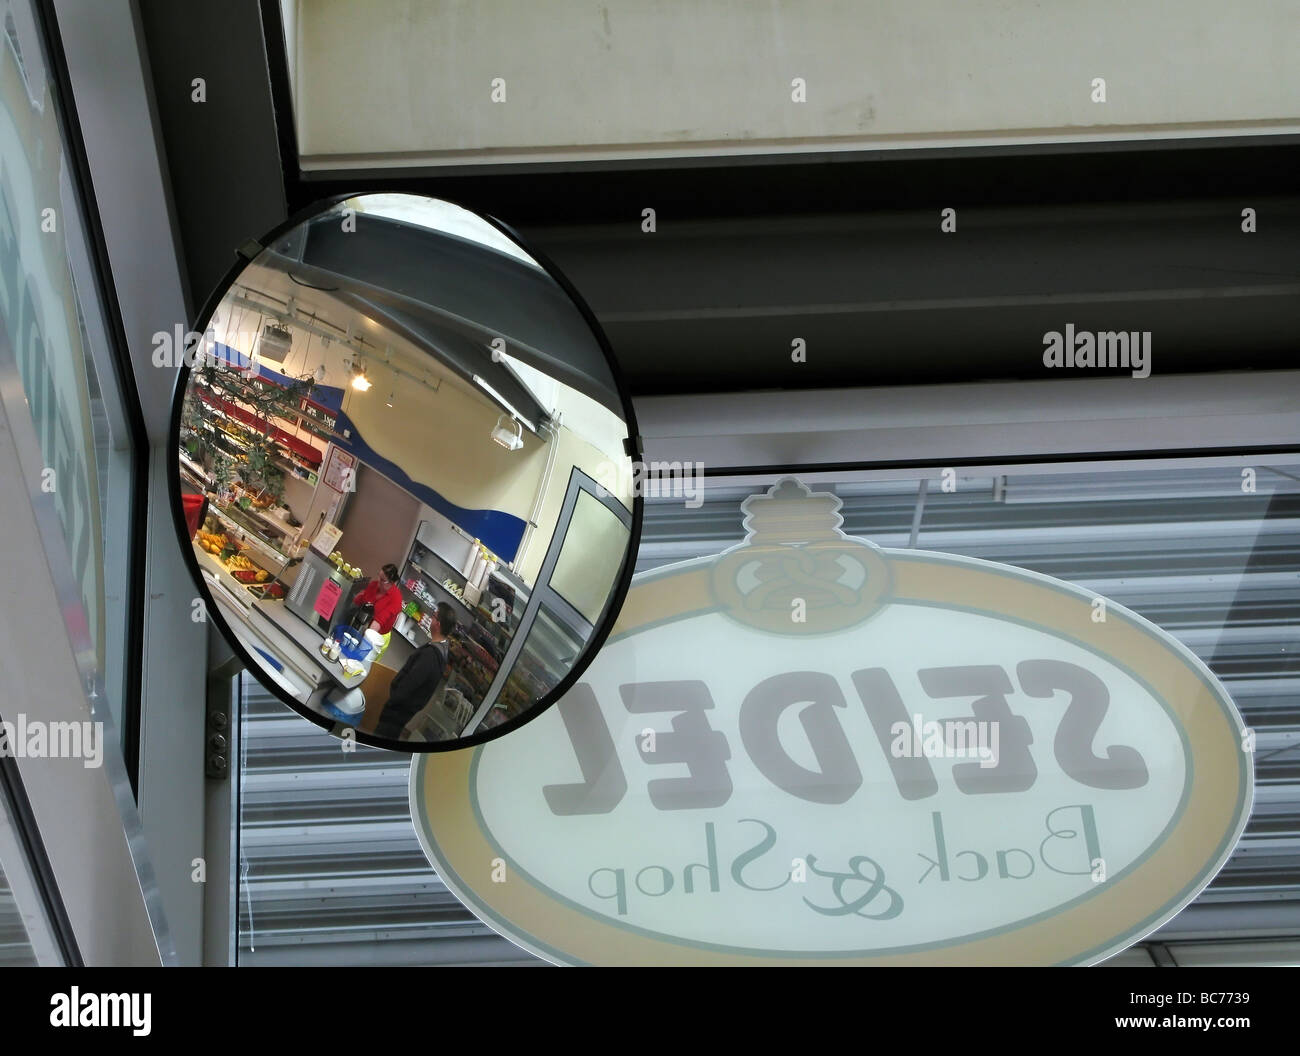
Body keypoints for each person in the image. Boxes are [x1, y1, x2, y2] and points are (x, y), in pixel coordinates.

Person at [374, 602, 458, 740]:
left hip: (397, 712)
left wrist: (393, 700)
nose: (431, 619)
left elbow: (409, 684)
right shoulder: (441, 650)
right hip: (402, 712)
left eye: (434, 616)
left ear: (438, 624)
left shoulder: (431, 655)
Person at [345, 563, 403, 662]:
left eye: (382, 580)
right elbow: (360, 600)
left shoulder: (396, 598)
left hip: (377, 636)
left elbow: (379, 621)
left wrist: (363, 643)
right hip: (364, 625)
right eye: (379, 576)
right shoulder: (374, 585)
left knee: (362, 660)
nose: (378, 581)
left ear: (391, 582)